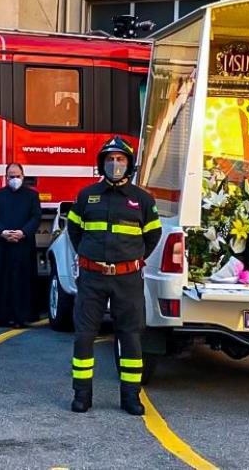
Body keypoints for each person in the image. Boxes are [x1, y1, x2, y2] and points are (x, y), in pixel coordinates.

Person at [67, 136, 161, 415]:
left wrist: (131, 259)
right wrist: (89, 257)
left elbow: (153, 235)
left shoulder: (142, 199)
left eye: (120, 159)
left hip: (127, 279)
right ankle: (82, 395)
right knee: (84, 336)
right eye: (110, 159)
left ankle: (131, 397)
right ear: (101, 164)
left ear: (129, 164)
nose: (115, 164)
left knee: (130, 336)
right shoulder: (86, 196)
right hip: (92, 278)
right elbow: (75, 231)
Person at [0, 163, 42, 328]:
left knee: (21, 281)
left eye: (17, 176)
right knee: (0, 279)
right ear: (6, 177)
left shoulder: (31, 196)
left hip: (23, 245)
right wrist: (2, 232)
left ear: (23, 176)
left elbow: (36, 217)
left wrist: (23, 232)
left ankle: (20, 317)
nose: (14, 179)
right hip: (2, 245)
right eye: (11, 176)